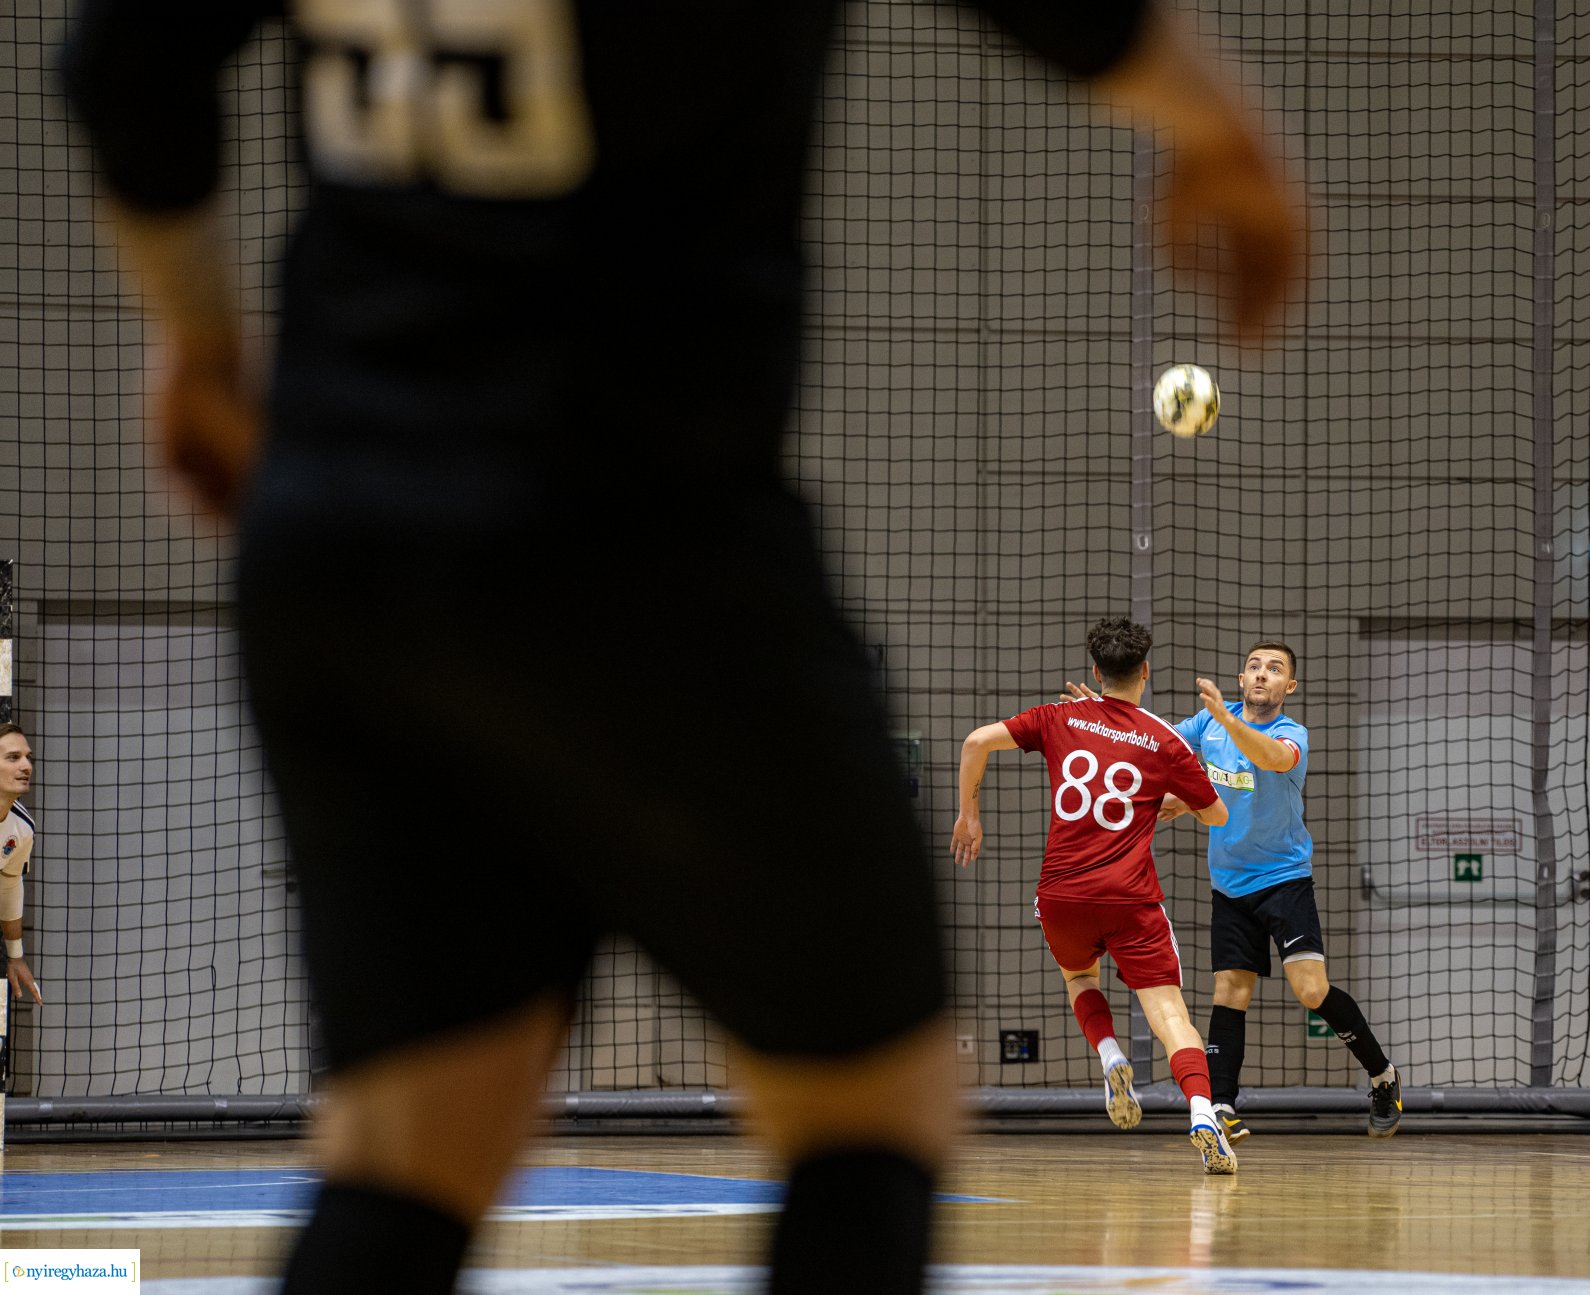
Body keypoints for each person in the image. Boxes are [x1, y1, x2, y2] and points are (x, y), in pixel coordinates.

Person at [61, 0, 1302, 1290]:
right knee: (871, 1105)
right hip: (646, 537)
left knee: (411, 1139)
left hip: (346, 546)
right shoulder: (1145, 726)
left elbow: (121, 62)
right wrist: (1218, 124)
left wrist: (199, 341)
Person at [953, 617, 1238, 1174]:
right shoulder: (1164, 740)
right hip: (1129, 899)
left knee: (1080, 978)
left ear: (1094, 670)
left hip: (1062, 896)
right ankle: (1203, 1113)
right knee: (1169, 1013)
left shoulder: (1060, 717)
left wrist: (969, 815)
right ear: (1145, 672)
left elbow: (975, 741)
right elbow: (1219, 815)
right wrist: (1173, 802)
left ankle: (1109, 1057)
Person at [1113, 643, 1403, 1140]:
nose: (1262, 674)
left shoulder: (1290, 734)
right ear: (1242, 679)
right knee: (1230, 990)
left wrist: (1226, 720)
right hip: (1229, 884)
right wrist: (1104, 715)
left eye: (1274, 669)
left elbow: (1270, 759)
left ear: (1289, 686)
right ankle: (1222, 1105)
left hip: (1284, 879)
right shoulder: (1207, 724)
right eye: (1254, 667)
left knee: (1311, 991)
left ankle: (1383, 1076)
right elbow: (1153, 741)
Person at [0, 723, 45, 1007]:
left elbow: (9, 885)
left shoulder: (22, 828)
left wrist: (15, 955)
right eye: (13, 757)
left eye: (28, 758)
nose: (26, 766)